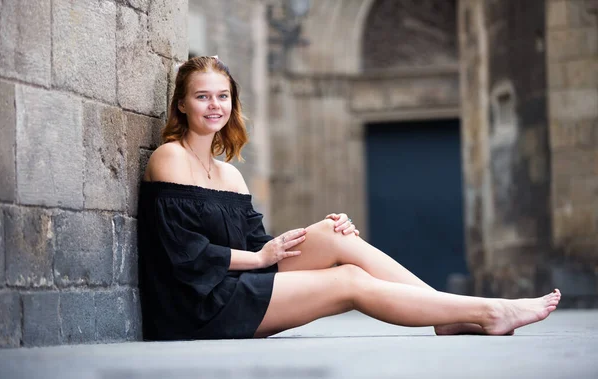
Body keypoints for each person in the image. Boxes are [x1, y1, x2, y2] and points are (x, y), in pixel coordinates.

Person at [137, 56, 561, 341]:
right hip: (194, 306)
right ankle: (488, 312)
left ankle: (448, 317)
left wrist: (320, 238)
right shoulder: (169, 158)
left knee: (335, 235)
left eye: (223, 96)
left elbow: (256, 246)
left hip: (234, 283)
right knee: (350, 282)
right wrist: (262, 259)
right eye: (203, 96)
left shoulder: (230, 174)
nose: (215, 105)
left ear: (233, 102)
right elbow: (186, 257)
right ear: (182, 104)